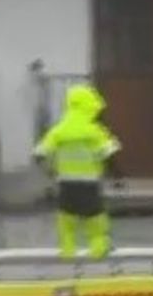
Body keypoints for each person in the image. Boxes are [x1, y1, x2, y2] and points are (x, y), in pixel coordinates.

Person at [34, 84, 121, 259]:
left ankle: (68, 251)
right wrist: (116, 176)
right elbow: (109, 154)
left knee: (67, 219)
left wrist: (50, 171)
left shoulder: (58, 130)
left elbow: (39, 154)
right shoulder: (94, 131)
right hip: (89, 183)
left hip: (66, 183)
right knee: (95, 218)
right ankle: (98, 250)